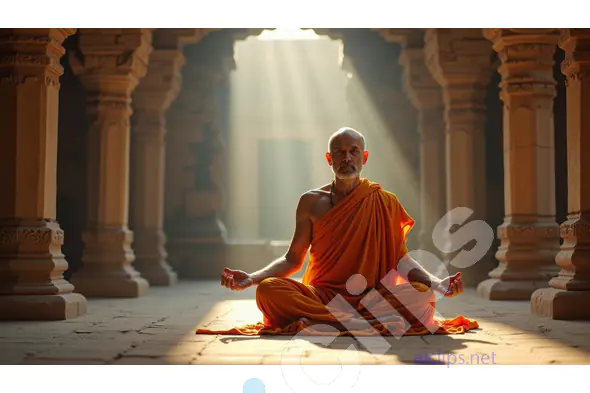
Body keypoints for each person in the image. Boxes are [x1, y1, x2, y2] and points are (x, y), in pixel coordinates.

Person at [197, 127, 477, 337]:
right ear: (329, 158)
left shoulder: (385, 201)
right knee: (269, 291)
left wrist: (438, 283)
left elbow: (401, 260)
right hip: (323, 296)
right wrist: (252, 278)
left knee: (422, 294)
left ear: (364, 156)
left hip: (374, 297)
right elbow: (293, 259)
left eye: (353, 151)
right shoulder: (311, 201)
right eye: (340, 152)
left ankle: (337, 320)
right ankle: (358, 321)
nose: (347, 157)